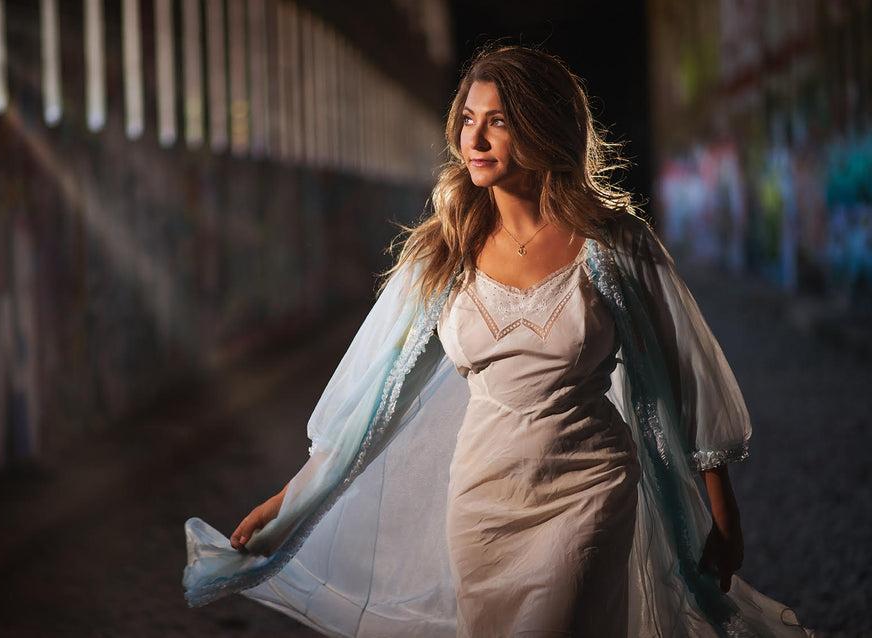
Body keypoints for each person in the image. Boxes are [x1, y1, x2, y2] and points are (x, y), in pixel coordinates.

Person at [182, 46, 809, 637]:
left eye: (498, 121)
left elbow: (685, 376)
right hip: (482, 503)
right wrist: (291, 503)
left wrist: (723, 515)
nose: (472, 140)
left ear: (542, 128)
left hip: (589, 491)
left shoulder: (616, 246)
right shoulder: (442, 253)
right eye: (467, 119)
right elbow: (377, 402)